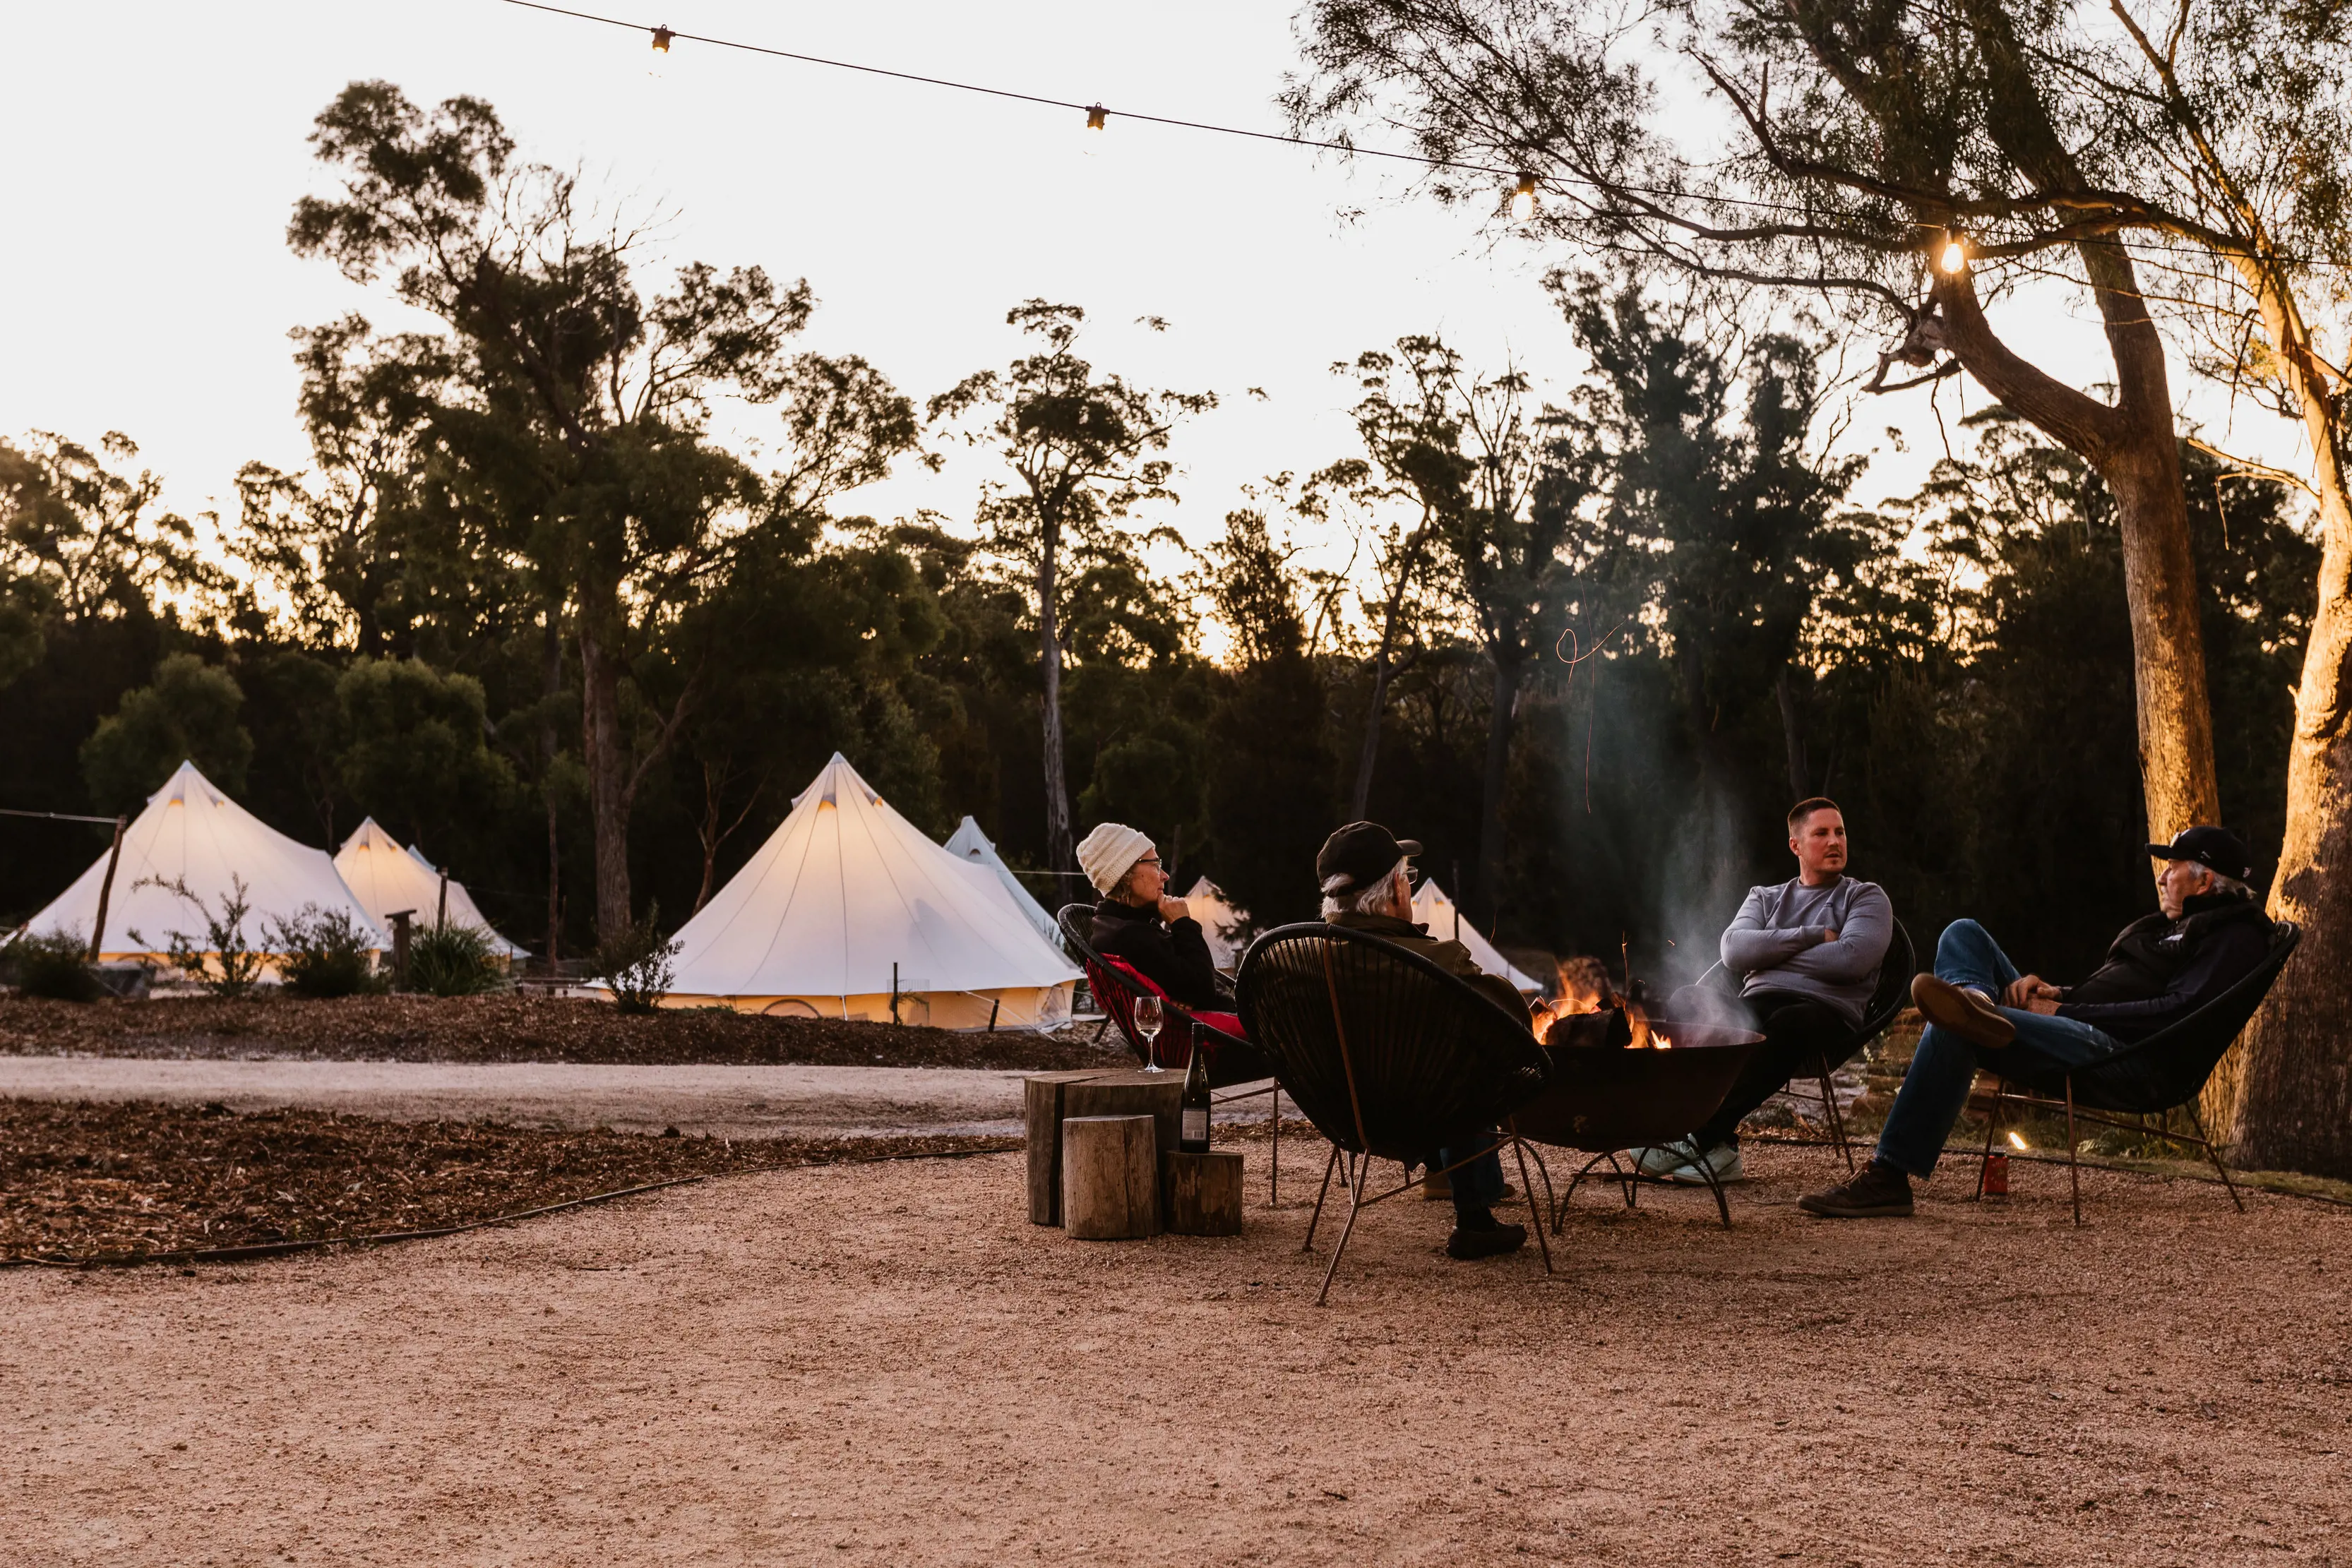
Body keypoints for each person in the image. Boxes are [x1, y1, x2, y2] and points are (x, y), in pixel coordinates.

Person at [1801, 825, 2275, 1219]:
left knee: (1954, 1025)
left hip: (2121, 1055)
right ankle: (1975, 1000)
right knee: (1963, 932)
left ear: (2204, 879)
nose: (2162, 877)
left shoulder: (2232, 936)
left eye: (2171, 867)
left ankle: (1889, 1174)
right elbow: (2119, 988)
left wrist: (2066, 1012)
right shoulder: (2172, 925)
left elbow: (2174, 1013)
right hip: (2079, 1025)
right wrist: (2057, 993)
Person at [1316, 820, 1530, 1262]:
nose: (1409, 889)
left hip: (1343, 1115)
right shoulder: (1436, 962)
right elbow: (1513, 1023)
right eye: (1407, 877)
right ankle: (1475, 1217)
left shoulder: (1304, 961)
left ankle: (1442, 1171)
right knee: (1476, 1058)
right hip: (1425, 1118)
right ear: (1395, 890)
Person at [1649, 798, 1892, 1185]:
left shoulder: (1865, 898)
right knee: (1685, 1001)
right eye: (1822, 833)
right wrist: (1812, 935)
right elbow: (1733, 950)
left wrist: (1769, 955)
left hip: (1824, 1014)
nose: (1835, 842)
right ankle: (1719, 1148)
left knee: (1788, 1023)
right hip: (1757, 1005)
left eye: (1840, 832)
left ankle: (1699, 1136)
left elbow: (1851, 960)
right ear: (1795, 845)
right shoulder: (1765, 897)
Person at [1077, 821, 1229, 1010]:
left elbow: (1201, 983)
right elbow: (1204, 989)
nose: (1165, 876)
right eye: (1155, 866)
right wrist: (1183, 923)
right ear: (1125, 875)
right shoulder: (1130, 935)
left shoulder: (1119, 925)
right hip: (1236, 1028)